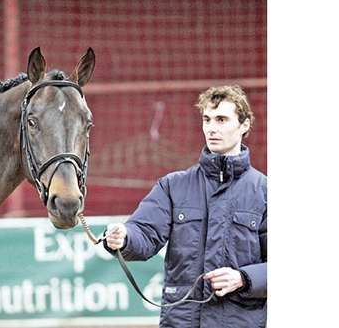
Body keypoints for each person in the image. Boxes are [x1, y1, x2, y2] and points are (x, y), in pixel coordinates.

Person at [104, 85, 267, 328]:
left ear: (244, 125)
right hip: (182, 320)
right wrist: (124, 237)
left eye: (221, 119)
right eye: (207, 120)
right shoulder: (173, 186)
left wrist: (243, 278)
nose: (211, 128)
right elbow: (144, 233)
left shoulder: (266, 192)